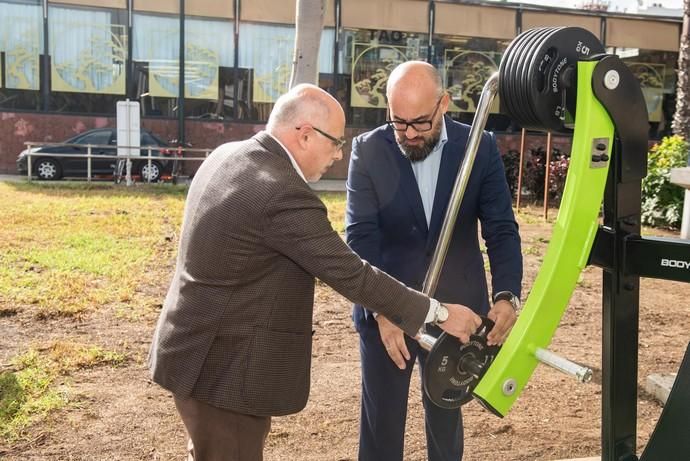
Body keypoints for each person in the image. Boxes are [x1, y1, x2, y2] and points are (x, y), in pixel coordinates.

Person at [148, 83, 485, 461]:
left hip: (194, 354)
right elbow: (352, 274)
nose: (339, 156)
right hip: (224, 373)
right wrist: (438, 313)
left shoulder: (229, 155)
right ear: (305, 135)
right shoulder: (280, 192)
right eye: (335, 143)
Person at [346, 61, 523, 461]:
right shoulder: (369, 150)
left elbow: (500, 229)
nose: (408, 134)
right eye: (398, 122)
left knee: (446, 424)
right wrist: (383, 310)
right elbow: (360, 239)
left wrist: (506, 294)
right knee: (381, 427)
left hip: (457, 314)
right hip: (386, 313)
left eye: (420, 122)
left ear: (444, 104)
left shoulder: (480, 146)